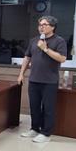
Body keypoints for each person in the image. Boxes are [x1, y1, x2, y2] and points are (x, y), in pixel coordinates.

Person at [17, 15, 68, 143]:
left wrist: (45, 49)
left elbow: (62, 58)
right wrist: (21, 74)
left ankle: (46, 133)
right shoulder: (34, 40)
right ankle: (35, 128)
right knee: (34, 106)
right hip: (34, 79)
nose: (41, 27)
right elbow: (27, 58)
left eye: (45, 25)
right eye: (40, 25)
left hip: (49, 81)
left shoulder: (59, 41)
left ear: (53, 27)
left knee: (48, 108)